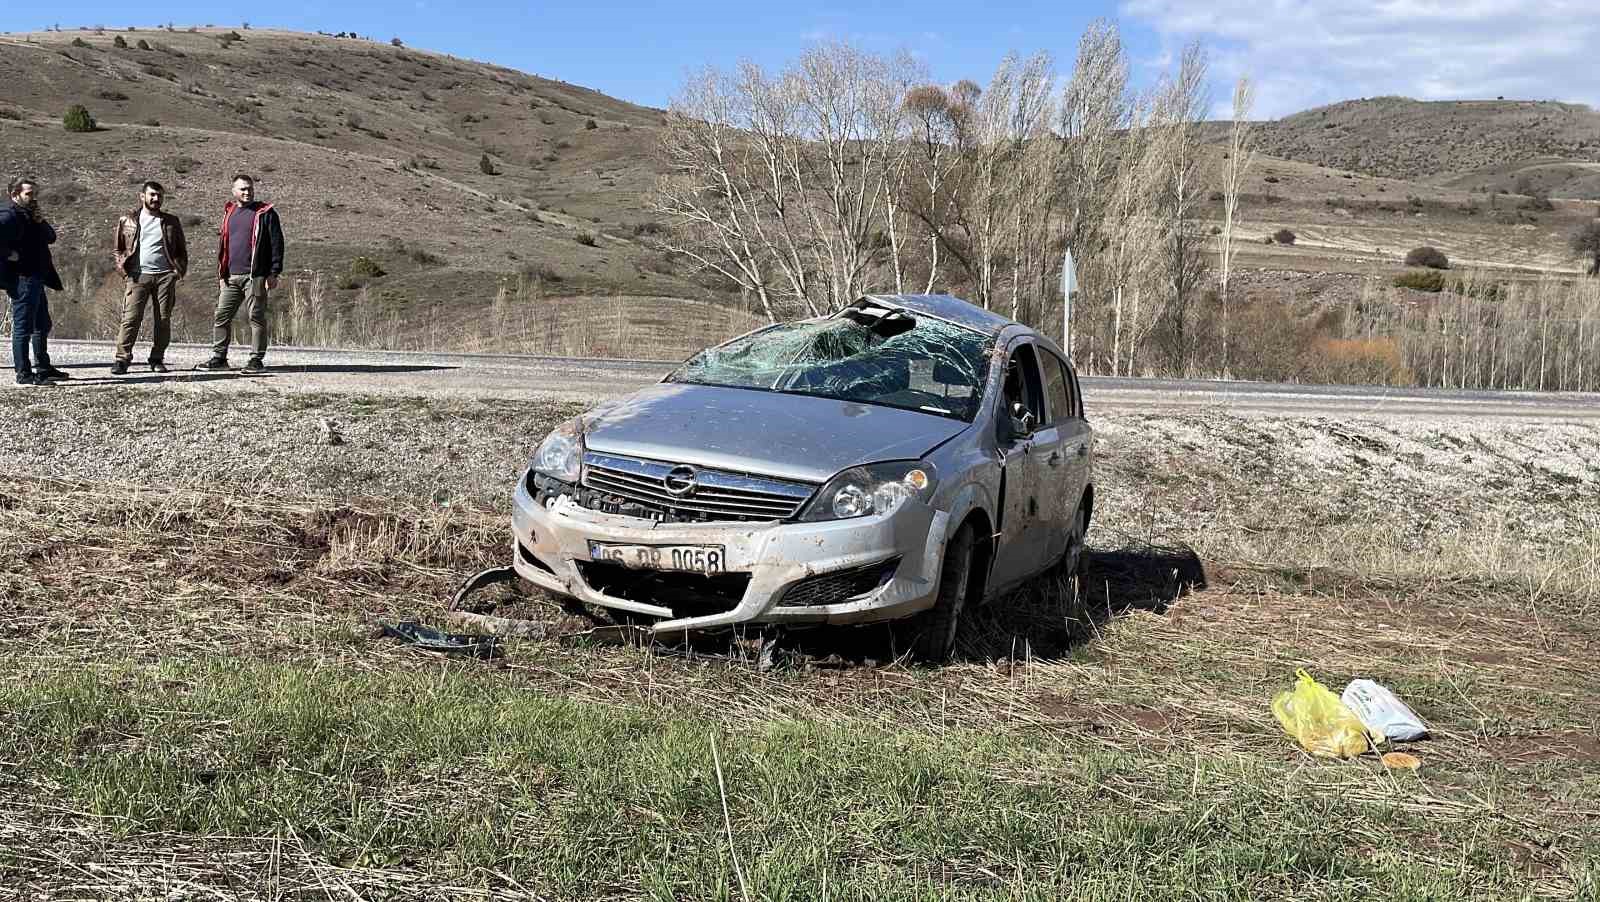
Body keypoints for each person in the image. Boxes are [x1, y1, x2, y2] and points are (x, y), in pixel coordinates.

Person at [206, 174, 284, 373]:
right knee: (221, 315)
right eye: (242, 189)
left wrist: (274, 272)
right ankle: (219, 358)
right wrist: (221, 274)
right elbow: (224, 245)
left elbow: (277, 244)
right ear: (234, 191)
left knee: (256, 317)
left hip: (255, 276)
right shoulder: (229, 212)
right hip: (231, 276)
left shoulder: (265, 213)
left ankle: (256, 360)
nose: (247, 192)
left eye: (249, 188)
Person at [111, 181, 189, 374]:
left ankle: (157, 359)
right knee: (130, 318)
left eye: (159, 195)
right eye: (152, 194)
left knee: (163, 319)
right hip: (137, 276)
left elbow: (181, 250)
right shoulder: (127, 220)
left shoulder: (171, 221)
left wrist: (177, 272)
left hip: (164, 277)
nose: (156, 198)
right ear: (142, 196)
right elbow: (119, 248)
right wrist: (123, 270)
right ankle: (122, 359)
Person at [0, 177, 67, 386]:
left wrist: (39, 219)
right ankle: (24, 373)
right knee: (23, 327)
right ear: (14, 195)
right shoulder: (9, 214)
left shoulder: (29, 214)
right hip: (23, 278)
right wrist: (9, 254)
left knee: (41, 324)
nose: (33, 197)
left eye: (34, 193)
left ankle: (44, 368)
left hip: (37, 276)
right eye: (29, 194)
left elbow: (51, 237)